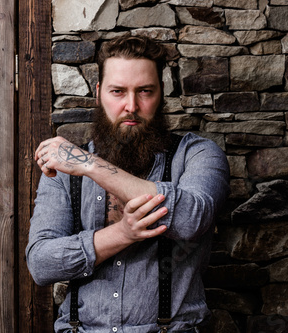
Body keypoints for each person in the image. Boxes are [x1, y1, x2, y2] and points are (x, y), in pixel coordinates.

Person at [26, 35, 230, 333]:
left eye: (145, 91)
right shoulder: (63, 172)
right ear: (99, 93)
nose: (131, 106)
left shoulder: (197, 154)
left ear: (161, 93)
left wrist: (91, 165)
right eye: (118, 91)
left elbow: (192, 219)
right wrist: (123, 233)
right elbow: (41, 264)